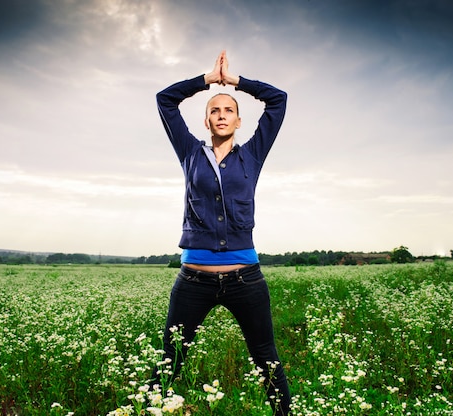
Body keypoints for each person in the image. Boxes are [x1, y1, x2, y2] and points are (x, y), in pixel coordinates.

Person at [153, 50, 291, 415]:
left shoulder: (252, 156)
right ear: (206, 120)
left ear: (239, 120)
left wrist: (234, 82)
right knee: (170, 358)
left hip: (245, 279)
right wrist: (207, 80)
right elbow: (165, 100)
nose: (221, 115)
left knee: (267, 360)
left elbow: (278, 100)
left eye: (228, 110)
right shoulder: (189, 154)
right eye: (214, 110)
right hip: (193, 280)